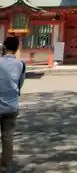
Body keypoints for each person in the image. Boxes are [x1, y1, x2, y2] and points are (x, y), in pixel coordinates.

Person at [0, 36, 26, 172]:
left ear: (4, 47)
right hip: (11, 106)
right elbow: (20, 84)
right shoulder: (21, 65)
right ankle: (5, 165)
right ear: (17, 49)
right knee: (8, 136)